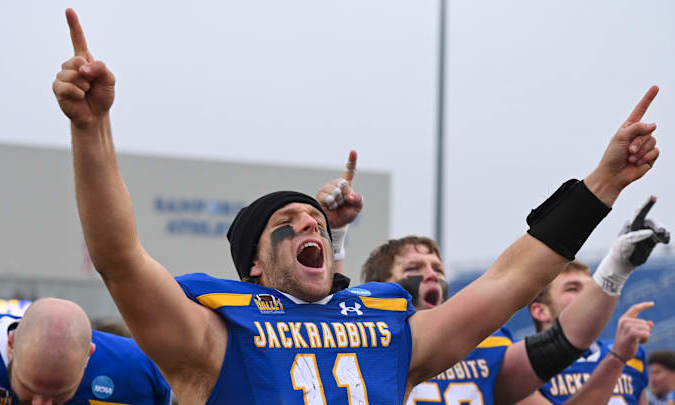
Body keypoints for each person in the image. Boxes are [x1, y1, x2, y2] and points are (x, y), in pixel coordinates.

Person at [53, 8, 660, 404]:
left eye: (313, 221)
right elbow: (120, 259)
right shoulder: (214, 338)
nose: (307, 226)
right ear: (255, 267)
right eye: (285, 227)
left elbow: (509, 277)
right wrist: (92, 129)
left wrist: (603, 184)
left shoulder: (390, 333)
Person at [356, 198, 665, 405]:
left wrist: (616, 269)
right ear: (380, 287)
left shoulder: (487, 347)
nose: (431, 276)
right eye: (413, 269)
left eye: (438, 268)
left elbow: (562, 340)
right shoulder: (360, 344)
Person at [514, 201, 670, 405]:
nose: (588, 295)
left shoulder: (633, 355)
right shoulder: (518, 366)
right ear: (540, 311)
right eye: (572, 288)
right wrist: (616, 359)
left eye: (590, 287)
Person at [0, 298, 170, 405]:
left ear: (88, 356)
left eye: (58, 394)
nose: (41, 404)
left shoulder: (138, 373)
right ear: (12, 343)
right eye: (30, 387)